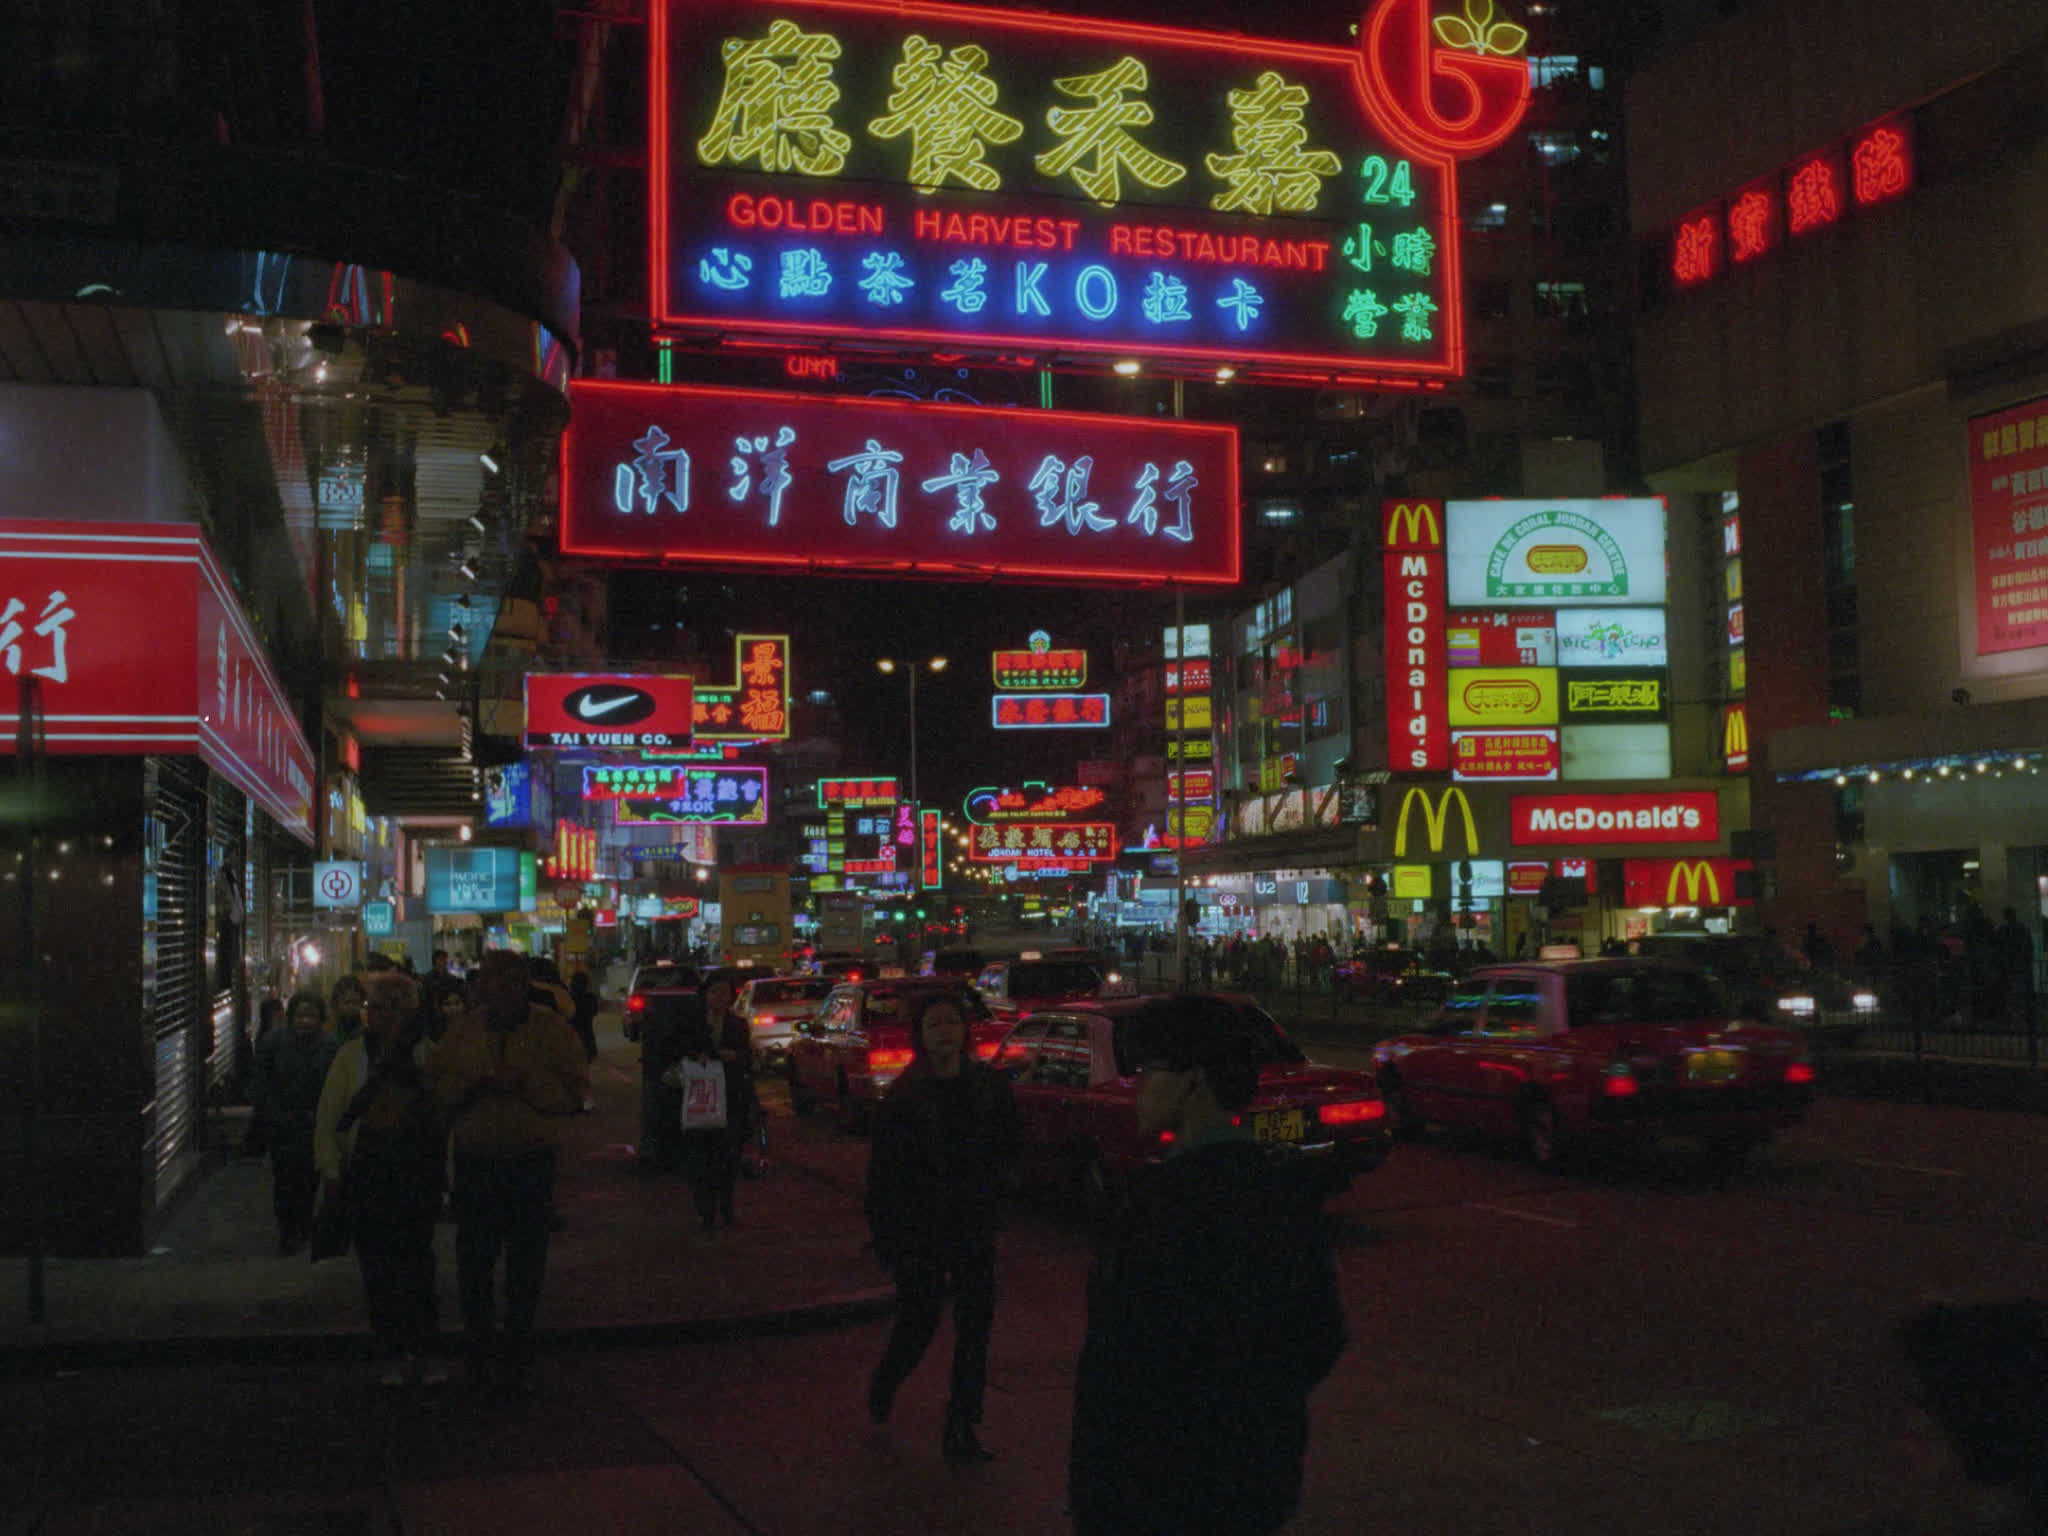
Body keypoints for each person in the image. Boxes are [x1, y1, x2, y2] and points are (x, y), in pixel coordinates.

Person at [1069, 994, 1347, 1536]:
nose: (1141, 1087)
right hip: (1255, 1480)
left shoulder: (1153, 1208)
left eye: (1152, 1070)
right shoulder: (1282, 1198)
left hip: (1156, 1492)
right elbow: (1320, 1336)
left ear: (1194, 1081)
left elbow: (1115, 1374)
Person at [864, 990, 1019, 1465]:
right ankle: (887, 1379)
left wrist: (998, 1200)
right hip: (919, 1230)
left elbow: (1007, 1149)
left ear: (965, 1030)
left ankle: (962, 1425)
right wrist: (888, 1237)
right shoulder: (905, 1097)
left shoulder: (989, 1087)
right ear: (922, 1036)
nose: (945, 1033)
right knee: (920, 1320)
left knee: (975, 1329)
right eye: (934, 1025)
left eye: (952, 1023)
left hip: (972, 1224)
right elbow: (883, 1177)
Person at [426, 949, 589, 1398]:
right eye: (486, 985)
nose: (491, 993)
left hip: (530, 1161)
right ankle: (479, 1354)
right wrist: (472, 1085)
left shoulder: (550, 1031)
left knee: (526, 1263)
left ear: (519, 986)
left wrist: (526, 1083)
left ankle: (517, 1354)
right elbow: (437, 1091)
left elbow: (574, 1092)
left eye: (501, 984)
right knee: (474, 1262)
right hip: (476, 1161)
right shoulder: (462, 1034)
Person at [316, 970, 445, 1387]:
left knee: (417, 1261)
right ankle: (391, 1348)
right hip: (368, 1169)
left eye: (395, 1006)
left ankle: (422, 1349)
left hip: (415, 1170)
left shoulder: (429, 1055)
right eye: (378, 1005)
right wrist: (331, 1171)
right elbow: (329, 1120)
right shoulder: (351, 1057)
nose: (384, 1014)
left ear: (411, 1012)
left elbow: (445, 1121)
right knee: (377, 1264)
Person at [251, 991, 337, 1253]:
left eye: (311, 1016)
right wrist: (269, 1114)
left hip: (315, 1123)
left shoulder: (329, 1045)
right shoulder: (274, 1042)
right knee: (285, 1179)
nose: (305, 1021)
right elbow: (261, 1081)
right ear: (291, 1018)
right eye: (300, 1015)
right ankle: (288, 1232)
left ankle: (303, 1227)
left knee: (309, 1181)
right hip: (283, 1124)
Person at [672, 1005, 742, 1232]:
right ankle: (706, 1212)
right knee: (700, 1161)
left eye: (724, 992)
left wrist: (735, 1056)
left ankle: (726, 1208)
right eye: (714, 992)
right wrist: (695, 1055)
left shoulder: (736, 1024)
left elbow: (746, 1056)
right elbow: (674, 1048)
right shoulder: (691, 1021)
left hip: (729, 1100)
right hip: (698, 1108)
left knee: (726, 1160)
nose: (719, 997)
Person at [243, 997, 286, 1158]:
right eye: (277, 1010)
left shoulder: (276, 1033)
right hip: (269, 1089)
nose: (281, 1013)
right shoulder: (268, 1036)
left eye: (280, 1010)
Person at [331, 974, 368, 1045]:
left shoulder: (366, 1030)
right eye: (347, 1002)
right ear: (337, 1004)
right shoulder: (331, 1031)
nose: (351, 1007)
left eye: (356, 1002)